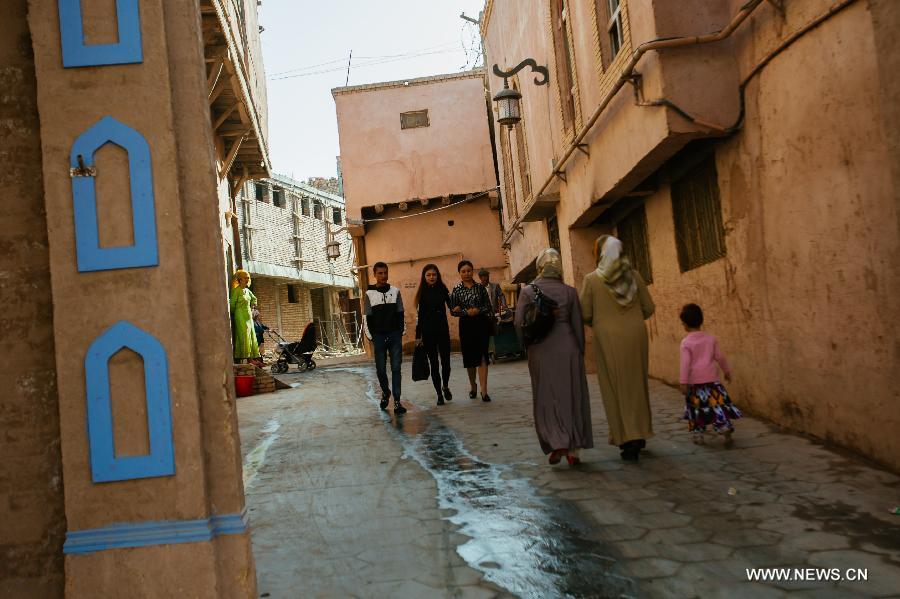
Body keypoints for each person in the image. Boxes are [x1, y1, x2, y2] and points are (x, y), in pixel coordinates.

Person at [579, 235, 655, 461]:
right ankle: (640, 433)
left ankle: (626, 439)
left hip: (608, 338)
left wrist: (601, 322)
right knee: (637, 385)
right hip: (636, 335)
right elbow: (648, 308)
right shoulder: (634, 276)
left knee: (614, 387)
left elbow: (585, 313)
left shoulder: (593, 280)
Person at [515, 249, 593, 466]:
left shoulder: (528, 292)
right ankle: (573, 449)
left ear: (540, 267)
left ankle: (556, 441)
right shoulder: (569, 292)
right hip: (568, 349)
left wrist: (527, 346)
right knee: (571, 397)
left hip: (540, 351)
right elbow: (578, 326)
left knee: (546, 398)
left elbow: (519, 324)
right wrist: (580, 352)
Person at [679, 303, 742, 444]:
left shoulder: (686, 342)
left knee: (696, 408)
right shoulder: (710, 339)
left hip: (695, 384)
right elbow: (720, 357)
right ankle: (724, 427)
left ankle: (698, 434)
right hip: (713, 382)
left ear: (685, 324)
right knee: (717, 405)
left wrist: (683, 382)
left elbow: (685, 364)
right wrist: (727, 371)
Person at [364, 262, 406, 414]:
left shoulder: (395, 291)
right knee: (380, 369)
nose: (383, 276)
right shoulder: (369, 294)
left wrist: (400, 331)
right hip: (379, 337)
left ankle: (397, 402)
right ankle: (385, 392)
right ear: (374, 274)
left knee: (396, 368)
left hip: (394, 335)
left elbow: (401, 312)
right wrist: (372, 337)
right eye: (380, 273)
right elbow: (367, 317)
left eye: (385, 273)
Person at [450, 260, 494, 402]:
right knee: (469, 358)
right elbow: (453, 311)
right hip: (466, 325)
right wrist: (464, 312)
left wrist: (478, 310)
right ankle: (473, 386)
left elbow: (488, 306)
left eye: (469, 270)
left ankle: (484, 390)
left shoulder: (480, 288)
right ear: (460, 273)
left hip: (481, 324)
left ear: (472, 271)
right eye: (463, 271)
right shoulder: (456, 289)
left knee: (482, 355)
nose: (466, 273)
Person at [414, 264, 453, 406]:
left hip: (443, 331)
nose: (432, 277)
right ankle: (439, 394)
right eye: (429, 275)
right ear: (424, 277)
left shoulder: (443, 289)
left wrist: (457, 307)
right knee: (434, 365)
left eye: (434, 275)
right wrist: (418, 337)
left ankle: (446, 386)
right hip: (428, 333)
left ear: (438, 276)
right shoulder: (421, 294)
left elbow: (451, 305)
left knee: (446, 363)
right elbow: (419, 318)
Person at [230, 269, 261, 365]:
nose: (247, 280)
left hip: (248, 315)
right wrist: (235, 313)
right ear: (239, 280)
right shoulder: (236, 291)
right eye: (245, 278)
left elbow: (254, 299)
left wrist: (252, 306)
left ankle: (252, 357)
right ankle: (246, 358)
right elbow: (232, 305)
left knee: (251, 335)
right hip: (240, 315)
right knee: (244, 335)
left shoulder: (247, 291)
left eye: (248, 278)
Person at [478, 268, 507, 362]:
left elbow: (501, 295)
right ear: (480, 278)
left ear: (488, 276)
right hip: (484, 314)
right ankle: (488, 352)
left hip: (495, 312)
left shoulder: (495, 286)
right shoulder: (478, 288)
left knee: (498, 329)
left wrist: (504, 305)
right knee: (485, 333)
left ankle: (500, 349)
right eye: (482, 277)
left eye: (486, 276)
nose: (484, 278)